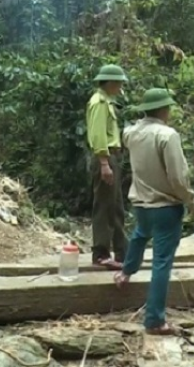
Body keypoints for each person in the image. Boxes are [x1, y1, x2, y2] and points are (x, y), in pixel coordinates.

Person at [113, 88, 194, 335]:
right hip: (165, 206)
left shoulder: (131, 133)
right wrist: (189, 200)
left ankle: (125, 273)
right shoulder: (167, 135)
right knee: (162, 262)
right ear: (164, 109)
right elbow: (178, 177)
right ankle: (154, 320)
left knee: (139, 235)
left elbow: (128, 137)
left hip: (141, 203)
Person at [85, 64, 129, 269]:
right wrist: (104, 163)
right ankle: (101, 254)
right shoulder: (99, 102)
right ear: (110, 82)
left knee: (116, 206)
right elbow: (97, 135)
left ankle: (122, 252)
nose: (120, 87)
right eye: (119, 83)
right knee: (104, 205)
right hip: (105, 158)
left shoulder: (108, 102)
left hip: (112, 157)